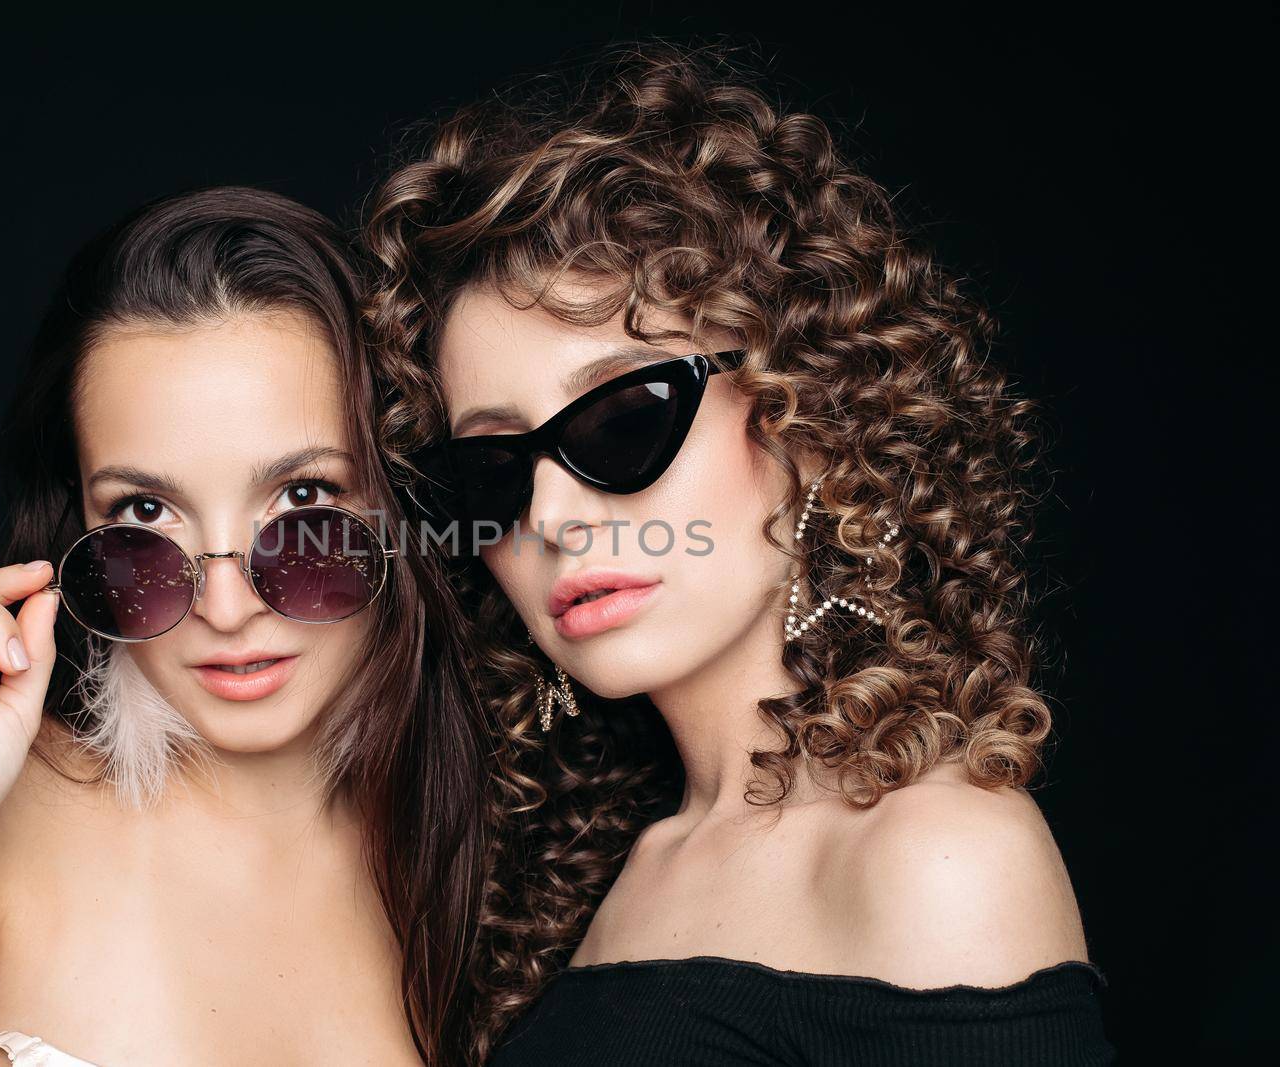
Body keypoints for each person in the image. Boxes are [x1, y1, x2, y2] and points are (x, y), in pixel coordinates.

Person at [362, 43, 1115, 1064]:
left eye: (622, 420)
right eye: (492, 470)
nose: (551, 515)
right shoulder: (610, 869)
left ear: (805, 414)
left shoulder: (934, 852)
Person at [0, 186, 488, 1066]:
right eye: (147, 510)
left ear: (399, 504)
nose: (225, 608)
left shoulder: (494, 855)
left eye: (303, 498)